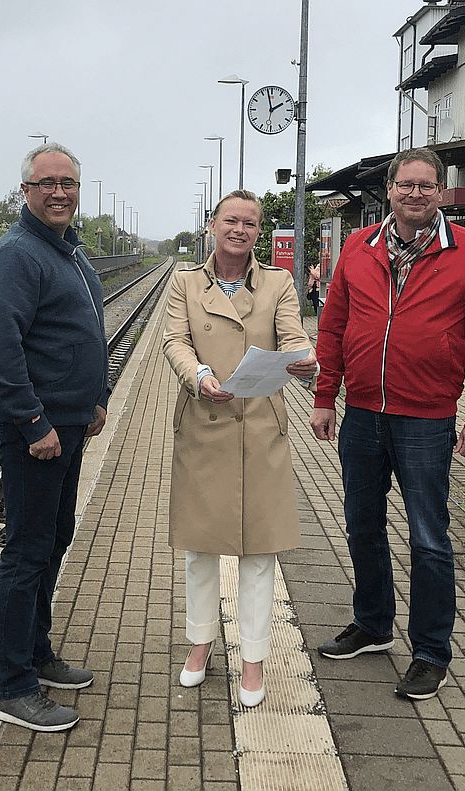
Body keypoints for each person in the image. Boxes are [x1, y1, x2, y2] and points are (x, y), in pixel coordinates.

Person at [309, 148, 465, 701]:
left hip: (426, 419)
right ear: (391, 190)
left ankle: (429, 652)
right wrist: (326, 395)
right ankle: (373, 625)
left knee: (428, 538)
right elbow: (333, 326)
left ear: (442, 193)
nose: (416, 194)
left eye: (427, 186)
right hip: (362, 416)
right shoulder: (360, 246)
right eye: (406, 185)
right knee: (362, 526)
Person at [163, 190, 316, 708]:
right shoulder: (185, 284)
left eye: (250, 223)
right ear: (213, 224)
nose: (240, 230)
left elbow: (293, 336)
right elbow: (174, 341)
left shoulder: (278, 282)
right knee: (200, 548)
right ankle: (200, 646)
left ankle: (253, 660)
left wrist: (305, 360)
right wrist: (199, 373)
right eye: (231, 220)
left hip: (259, 430)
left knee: (258, 551)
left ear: (258, 231)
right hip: (204, 425)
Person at [0, 142, 110, 731]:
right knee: (27, 551)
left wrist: (95, 400)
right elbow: (1, 351)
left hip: (71, 421)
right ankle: (10, 686)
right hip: (37, 429)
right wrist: (33, 422)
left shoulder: (71, 253)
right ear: (26, 192)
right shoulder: (16, 255)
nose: (59, 192)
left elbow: (81, 335)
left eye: (68, 183)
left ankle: (37, 652)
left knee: (56, 536)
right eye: (47, 183)